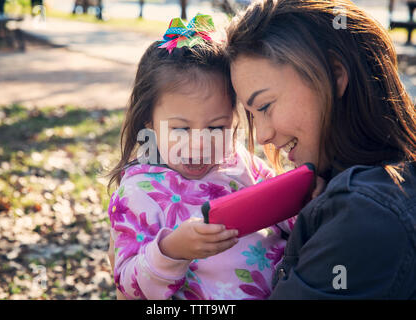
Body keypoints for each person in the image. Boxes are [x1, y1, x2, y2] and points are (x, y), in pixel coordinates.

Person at [226, 0, 416, 299]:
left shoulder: (363, 215)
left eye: (265, 106)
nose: (261, 136)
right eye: (252, 115)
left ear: (335, 74)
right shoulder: (381, 185)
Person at [105, 14, 298, 300]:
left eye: (216, 127)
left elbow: (288, 213)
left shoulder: (242, 164)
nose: (199, 145)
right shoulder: (137, 192)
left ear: (235, 117)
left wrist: (305, 198)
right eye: (181, 128)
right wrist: (171, 250)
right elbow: (129, 286)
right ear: (150, 123)